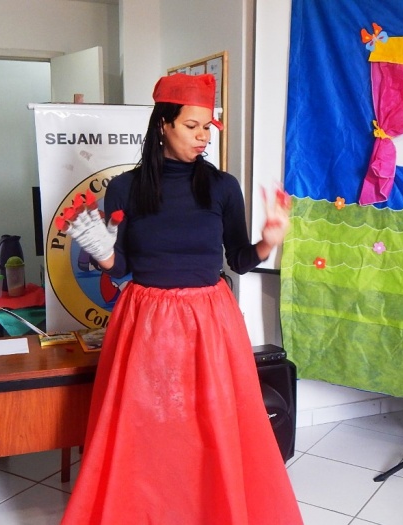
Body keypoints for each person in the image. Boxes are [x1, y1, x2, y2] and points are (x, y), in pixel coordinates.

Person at [60, 73, 302, 524]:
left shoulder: (223, 186)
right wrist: (103, 252)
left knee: (210, 425)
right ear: (163, 125)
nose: (202, 136)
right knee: (147, 426)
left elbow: (239, 260)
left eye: (207, 127)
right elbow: (121, 267)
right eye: (192, 126)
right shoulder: (125, 188)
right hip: (145, 318)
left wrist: (269, 241)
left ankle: (211, 510)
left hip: (209, 319)